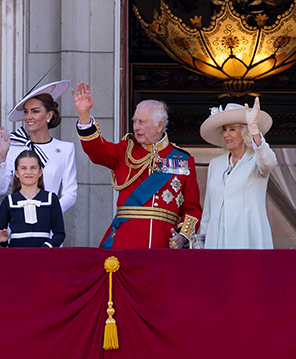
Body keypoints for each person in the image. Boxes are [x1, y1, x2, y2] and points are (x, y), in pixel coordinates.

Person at [72, 82, 202, 249]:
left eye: (142, 122)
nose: (136, 127)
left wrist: (183, 236)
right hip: (126, 241)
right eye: (135, 121)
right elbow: (98, 150)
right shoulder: (125, 151)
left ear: (159, 125)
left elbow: (192, 208)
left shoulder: (183, 159)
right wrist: (84, 116)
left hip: (164, 245)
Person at [197, 98, 277, 249]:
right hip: (216, 243)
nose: (226, 134)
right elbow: (208, 210)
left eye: (232, 129)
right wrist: (202, 241)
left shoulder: (257, 160)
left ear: (245, 132)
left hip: (248, 240)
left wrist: (255, 131)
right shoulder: (216, 164)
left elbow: (269, 161)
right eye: (224, 129)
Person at [0, 82, 78, 221]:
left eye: (35, 111)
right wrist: (2, 156)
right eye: (26, 111)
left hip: (49, 224)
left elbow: (71, 194)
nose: (28, 117)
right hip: (17, 223)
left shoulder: (65, 149)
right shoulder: (14, 146)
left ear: (49, 115)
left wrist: (49, 213)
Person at [0, 150, 67, 247]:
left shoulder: (51, 199)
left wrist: (46, 247)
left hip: (43, 256)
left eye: (33, 168)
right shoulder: (9, 201)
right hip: (16, 255)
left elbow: (59, 233)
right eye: (23, 168)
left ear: (40, 172)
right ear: (17, 173)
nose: (29, 172)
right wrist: (0, 237)